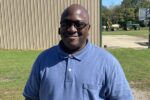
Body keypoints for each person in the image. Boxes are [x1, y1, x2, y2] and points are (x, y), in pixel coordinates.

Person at [23, 4, 134, 100]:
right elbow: (31, 97)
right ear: (59, 29)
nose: (72, 29)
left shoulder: (108, 63)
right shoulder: (43, 60)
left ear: (88, 29)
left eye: (79, 24)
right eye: (66, 24)